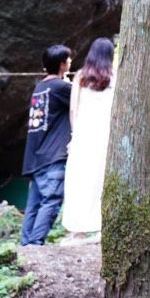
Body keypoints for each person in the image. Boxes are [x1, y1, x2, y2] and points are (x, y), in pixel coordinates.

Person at [20, 44, 73, 246]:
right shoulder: (61, 88)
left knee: (34, 204)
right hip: (52, 156)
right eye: (68, 59)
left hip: (35, 157)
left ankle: (26, 244)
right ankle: (35, 243)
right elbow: (83, 98)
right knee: (51, 199)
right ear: (61, 65)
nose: (70, 62)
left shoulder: (40, 88)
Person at [62, 37, 116, 238]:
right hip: (106, 135)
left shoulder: (81, 77)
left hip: (83, 135)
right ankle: (102, 227)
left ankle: (78, 230)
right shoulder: (115, 77)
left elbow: (73, 109)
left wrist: (74, 135)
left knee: (79, 180)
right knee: (101, 180)